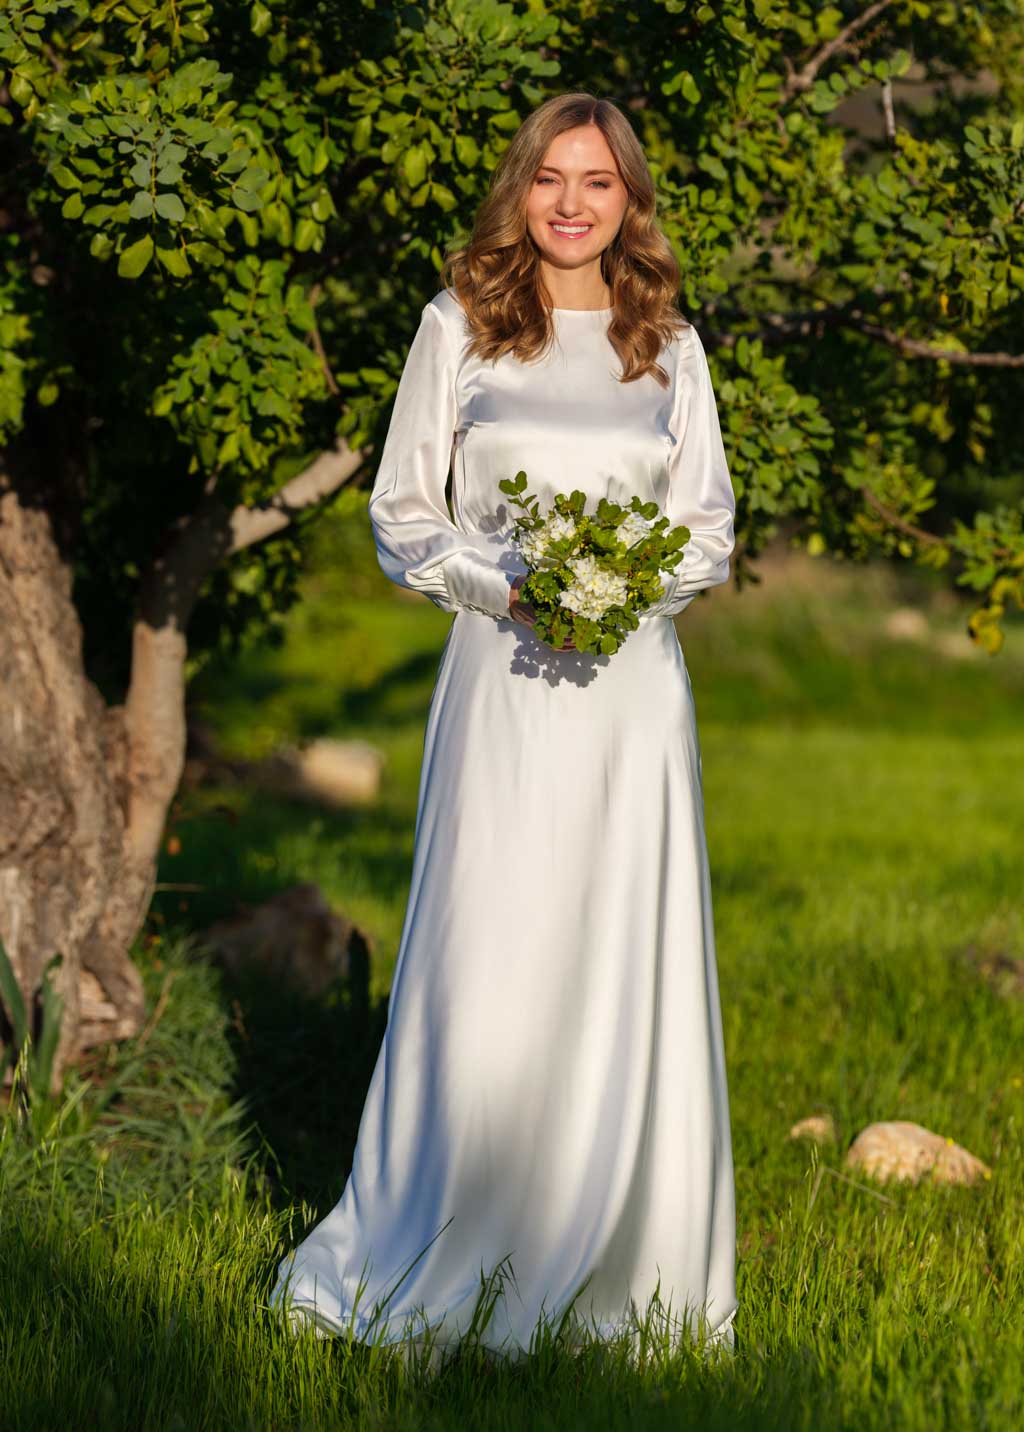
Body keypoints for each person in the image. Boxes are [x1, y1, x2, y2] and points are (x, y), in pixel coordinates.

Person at [269, 90, 738, 1367]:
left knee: (617, 946)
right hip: (503, 677)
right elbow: (402, 514)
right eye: (549, 179)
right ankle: (447, 1227)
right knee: (489, 947)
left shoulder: (670, 345)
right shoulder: (458, 326)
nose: (572, 204)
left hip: (631, 696)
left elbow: (709, 526)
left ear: (629, 200)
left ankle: (627, 1269)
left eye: (597, 182)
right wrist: (515, 589)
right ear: (519, 191)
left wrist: (624, 593)